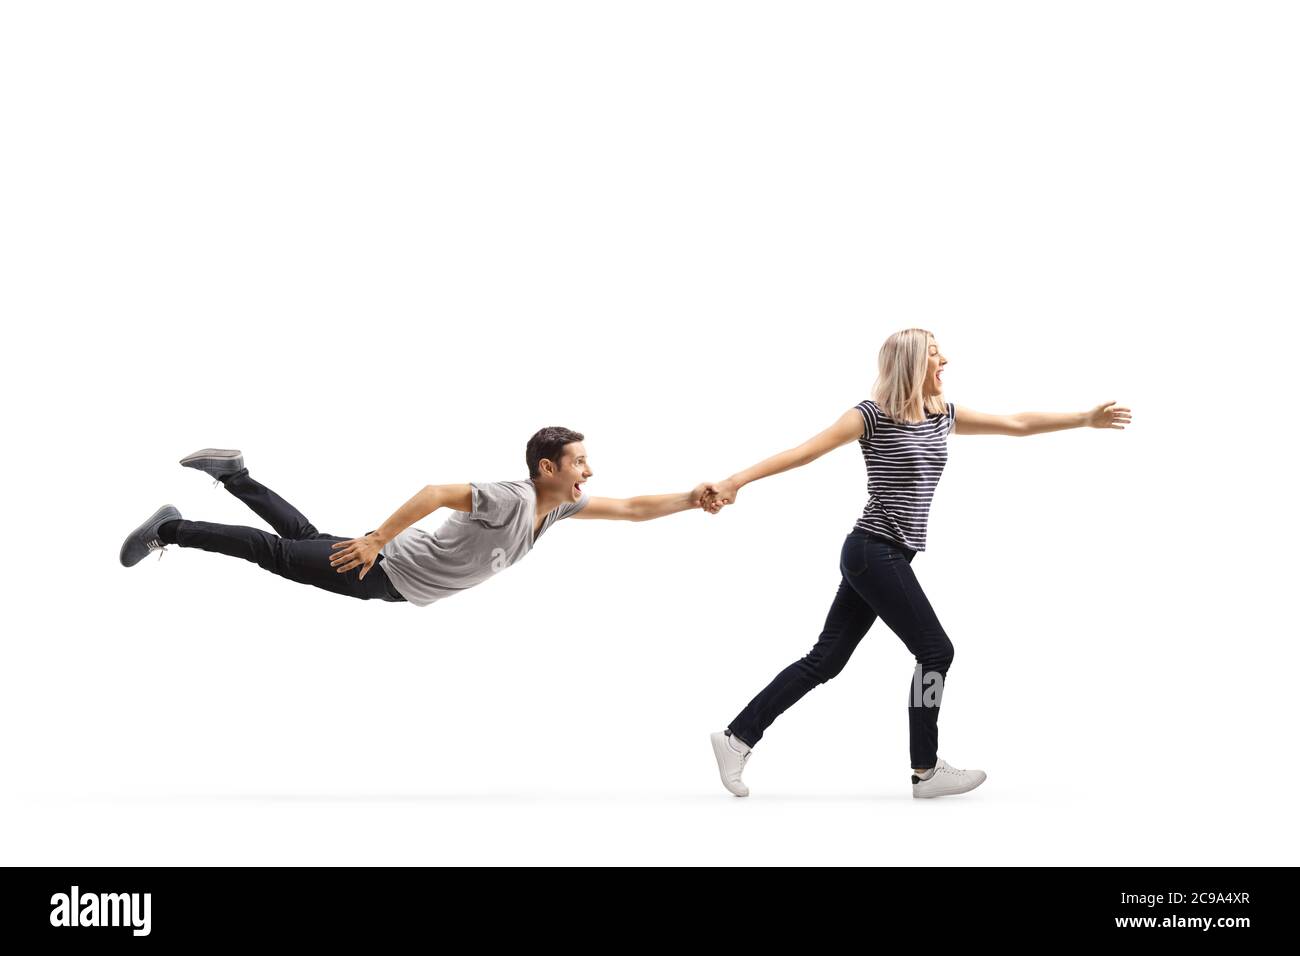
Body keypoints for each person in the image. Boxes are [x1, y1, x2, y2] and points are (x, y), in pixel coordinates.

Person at [701, 328, 1132, 798]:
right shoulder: (869, 416)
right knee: (936, 652)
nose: (944, 359)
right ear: (910, 362)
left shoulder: (940, 415)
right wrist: (735, 481)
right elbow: (802, 453)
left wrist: (1084, 418)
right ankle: (925, 769)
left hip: (887, 554)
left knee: (824, 661)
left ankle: (736, 737)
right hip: (873, 550)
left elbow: (1017, 423)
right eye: (933, 353)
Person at [119, 427, 717, 605]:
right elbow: (434, 491)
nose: (589, 472)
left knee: (299, 536)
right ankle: (171, 528)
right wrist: (378, 539)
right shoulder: (511, 497)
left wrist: (693, 498)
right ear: (546, 467)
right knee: (274, 552)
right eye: (580, 463)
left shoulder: (556, 509)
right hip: (384, 570)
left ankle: (236, 475)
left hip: (391, 571)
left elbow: (636, 508)